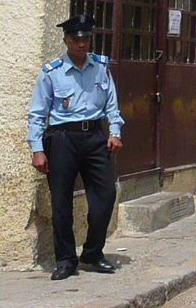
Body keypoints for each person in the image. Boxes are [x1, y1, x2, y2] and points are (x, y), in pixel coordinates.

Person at [26, 14, 124, 281]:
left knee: (105, 197)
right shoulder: (51, 72)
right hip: (62, 140)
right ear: (66, 40)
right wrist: (37, 149)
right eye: (75, 39)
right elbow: (37, 114)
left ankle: (92, 252)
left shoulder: (101, 67)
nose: (81, 44)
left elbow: (111, 106)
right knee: (61, 204)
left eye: (85, 39)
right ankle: (66, 260)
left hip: (94, 138)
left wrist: (114, 132)